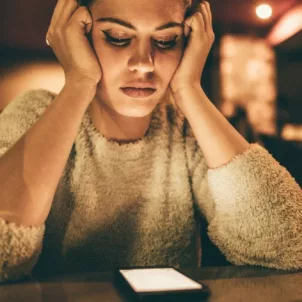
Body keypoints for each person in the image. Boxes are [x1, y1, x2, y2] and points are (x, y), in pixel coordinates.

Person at [0, 0, 301, 282]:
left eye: (166, 41)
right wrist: (79, 81)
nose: (144, 64)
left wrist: (189, 89)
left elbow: (288, 247)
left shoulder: (186, 132)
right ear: (80, 37)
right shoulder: (36, 112)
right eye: (118, 37)